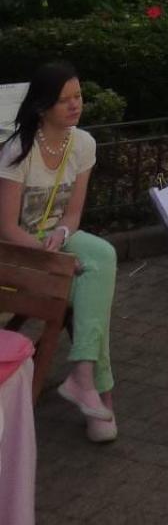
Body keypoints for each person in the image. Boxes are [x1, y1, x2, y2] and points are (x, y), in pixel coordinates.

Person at [0, 61, 118, 443]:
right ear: (42, 106)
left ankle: (82, 373)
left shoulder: (83, 144)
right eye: (64, 100)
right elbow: (7, 227)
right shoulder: (18, 150)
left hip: (57, 241)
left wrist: (64, 234)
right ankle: (98, 392)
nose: (75, 106)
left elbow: (73, 212)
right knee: (90, 287)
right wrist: (51, 256)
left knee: (102, 256)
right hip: (17, 252)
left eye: (78, 96)